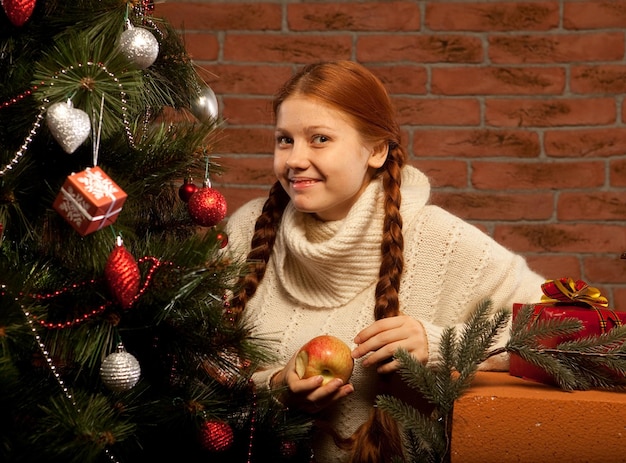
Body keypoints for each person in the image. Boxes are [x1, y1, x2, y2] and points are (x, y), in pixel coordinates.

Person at [224, 60, 545, 463]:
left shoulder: (440, 241)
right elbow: (187, 367)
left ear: (375, 150)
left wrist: (441, 343)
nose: (294, 159)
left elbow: (564, 335)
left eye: (320, 138)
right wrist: (274, 388)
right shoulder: (245, 231)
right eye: (284, 140)